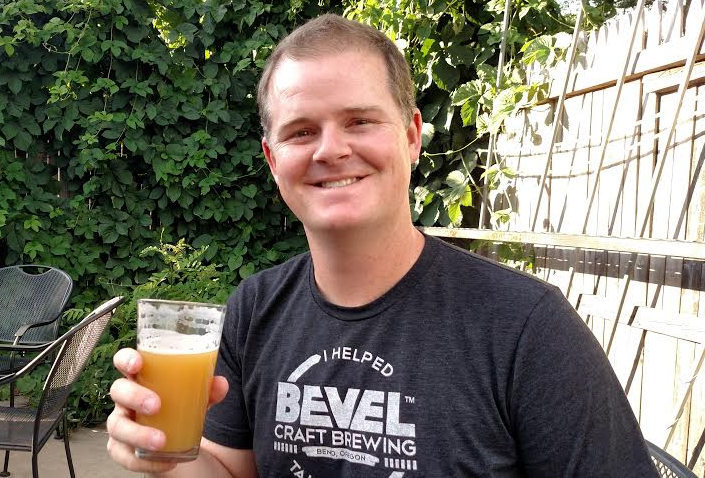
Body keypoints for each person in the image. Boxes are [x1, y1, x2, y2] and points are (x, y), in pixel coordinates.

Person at [106, 13, 658, 477]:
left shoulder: (526, 327)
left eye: (360, 121)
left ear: (412, 136)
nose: (331, 149)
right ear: (274, 161)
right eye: (301, 131)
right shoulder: (255, 308)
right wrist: (165, 457)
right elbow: (227, 468)